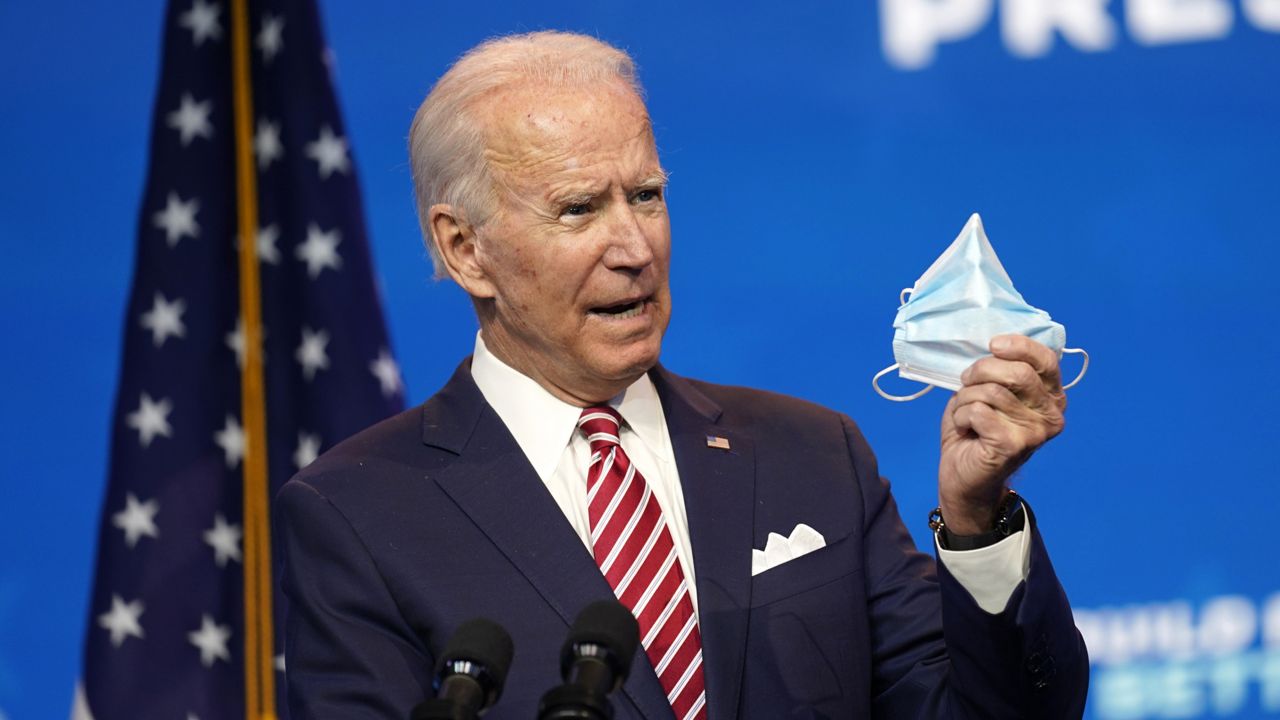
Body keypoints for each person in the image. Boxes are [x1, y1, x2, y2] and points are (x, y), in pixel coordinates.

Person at [276, 31, 1088, 719]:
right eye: (578, 209)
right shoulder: (355, 516)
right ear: (464, 249)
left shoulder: (811, 453)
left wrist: (976, 522)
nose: (634, 248)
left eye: (647, 195)